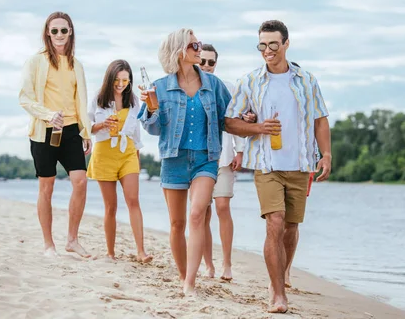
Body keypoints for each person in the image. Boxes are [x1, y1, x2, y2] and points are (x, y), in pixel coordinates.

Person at [225, 20, 332, 313]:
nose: (267, 50)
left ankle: (282, 274)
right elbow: (229, 121)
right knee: (274, 222)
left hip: (300, 165)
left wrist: (326, 154)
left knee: (291, 227)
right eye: (262, 45)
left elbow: (320, 119)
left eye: (273, 44)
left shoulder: (307, 80)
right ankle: (278, 293)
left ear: (286, 43)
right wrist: (258, 127)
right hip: (266, 164)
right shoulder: (249, 81)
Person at [138, 28, 232, 295]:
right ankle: (183, 276)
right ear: (179, 50)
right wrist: (152, 109)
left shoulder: (213, 84)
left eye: (199, 44)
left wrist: (249, 122)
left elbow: (229, 115)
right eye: (194, 45)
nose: (198, 49)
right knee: (177, 224)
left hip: (206, 159)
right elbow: (153, 129)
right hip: (173, 160)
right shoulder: (159, 87)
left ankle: (191, 282)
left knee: (196, 213)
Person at [19, 11, 92, 258]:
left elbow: (80, 101)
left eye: (64, 30)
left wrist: (86, 131)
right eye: (54, 30)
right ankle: (49, 245)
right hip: (44, 131)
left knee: (80, 182)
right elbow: (25, 98)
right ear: (47, 34)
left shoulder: (76, 65)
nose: (59, 35)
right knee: (46, 187)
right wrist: (48, 115)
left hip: (71, 130)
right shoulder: (35, 62)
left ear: (70, 32)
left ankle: (72, 239)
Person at [87, 59, 152, 263]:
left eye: (125, 80)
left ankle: (141, 251)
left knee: (133, 200)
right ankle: (110, 253)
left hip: (127, 153)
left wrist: (137, 160)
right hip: (104, 154)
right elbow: (86, 126)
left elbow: (136, 133)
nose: (121, 84)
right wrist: (101, 125)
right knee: (111, 206)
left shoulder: (133, 100)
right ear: (110, 78)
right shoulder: (98, 98)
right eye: (117, 79)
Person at [197, 44, 245, 281]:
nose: (206, 66)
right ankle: (208, 265)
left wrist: (240, 151)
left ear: (216, 63)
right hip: (197, 159)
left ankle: (227, 263)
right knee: (202, 213)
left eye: (211, 62)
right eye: (202, 61)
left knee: (222, 206)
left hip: (223, 156)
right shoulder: (188, 87)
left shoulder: (227, 87)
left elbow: (235, 120)